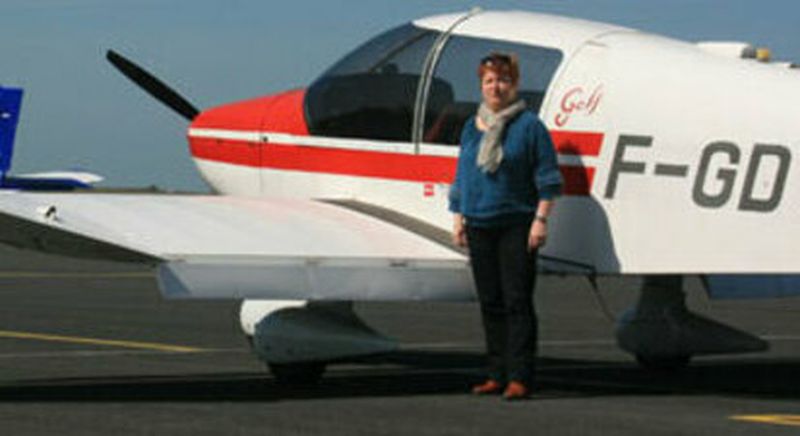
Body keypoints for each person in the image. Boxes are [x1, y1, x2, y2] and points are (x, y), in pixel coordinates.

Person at [448, 52, 562, 400]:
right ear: (481, 86)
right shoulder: (472, 126)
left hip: (516, 223)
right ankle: (495, 373)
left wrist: (540, 220)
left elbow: (548, 179)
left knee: (517, 300)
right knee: (490, 301)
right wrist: (458, 216)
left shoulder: (530, 127)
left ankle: (520, 377)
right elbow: (462, 175)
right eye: (489, 81)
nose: (495, 87)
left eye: (502, 80)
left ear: (514, 84)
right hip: (478, 222)